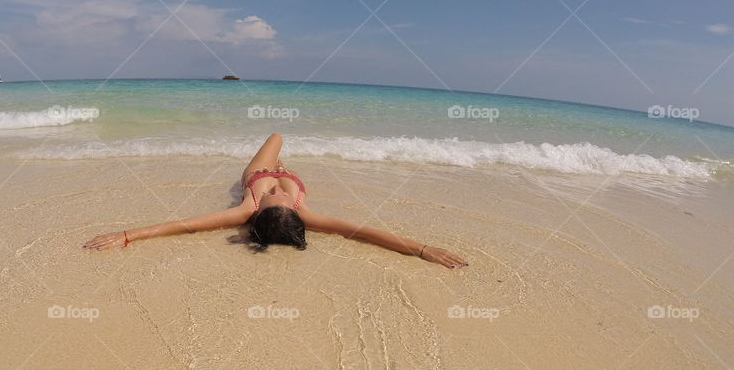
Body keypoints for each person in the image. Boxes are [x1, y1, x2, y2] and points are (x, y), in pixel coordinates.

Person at [83, 133, 468, 268]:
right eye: (279, 200)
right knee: (281, 140)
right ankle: (282, 164)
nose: (280, 196)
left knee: (275, 137)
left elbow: (184, 225)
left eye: (276, 200)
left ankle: (275, 163)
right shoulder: (305, 213)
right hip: (288, 172)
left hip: (255, 174)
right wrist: (421, 249)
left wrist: (128, 235)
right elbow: (364, 232)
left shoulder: (247, 207)